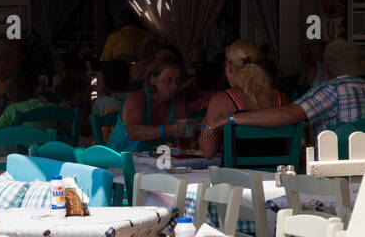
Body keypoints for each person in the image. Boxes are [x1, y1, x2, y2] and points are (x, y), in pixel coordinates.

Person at [205, 39, 365, 139]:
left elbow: (288, 115)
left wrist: (232, 119)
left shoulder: (330, 91)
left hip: (336, 177)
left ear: (328, 67)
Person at [199, 41, 291, 159]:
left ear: (229, 68)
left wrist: (204, 124)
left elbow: (208, 152)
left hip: (236, 177)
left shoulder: (222, 101)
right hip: (277, 175)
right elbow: (288, 149)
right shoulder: (282, 99)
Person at [105, 56, 185, 152]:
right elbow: (133, 132)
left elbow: (181, 146)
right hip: (118, 162)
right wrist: (170, 129)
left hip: (153, 163)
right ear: (153, 80)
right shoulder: (137, 98)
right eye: (169, 81)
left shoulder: (178, 103)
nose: (175, 86)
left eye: (178, 80)